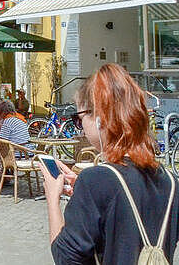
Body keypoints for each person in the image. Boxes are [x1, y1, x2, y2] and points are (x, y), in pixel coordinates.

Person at [44, 64, 179, 264]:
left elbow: (66, 258)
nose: (79, 128)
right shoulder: (171, 181)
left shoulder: (95, 181)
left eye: (78, 118)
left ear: (100, 118)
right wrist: (87, 194)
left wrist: (52, 200)